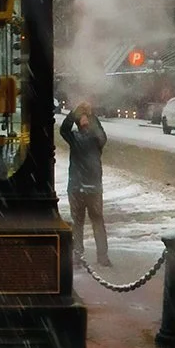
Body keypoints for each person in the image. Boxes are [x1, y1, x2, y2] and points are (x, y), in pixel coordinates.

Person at [60, 101, 111, 267]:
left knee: (96, 221)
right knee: (78, 222)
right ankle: (77, 255)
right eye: (82, 118)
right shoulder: (74, 137)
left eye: (86, 118)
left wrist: (89, 113)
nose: (85, 120)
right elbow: (63, 129)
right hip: (77, 187)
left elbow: (102, 134)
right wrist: (75, 112)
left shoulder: (96, 139)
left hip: (91, 187)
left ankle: (102, 256)